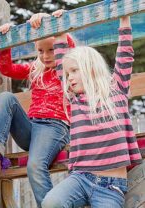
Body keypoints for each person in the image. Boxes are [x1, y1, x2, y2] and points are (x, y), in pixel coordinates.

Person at [0, 11, 75, 207]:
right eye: (41, 51)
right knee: (6, 97)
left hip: (55, 129)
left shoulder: (66, 68)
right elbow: (7, 69)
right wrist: (8, 40)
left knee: (35, 166)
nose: (46, 56)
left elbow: (68, 46)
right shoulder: (35, 70)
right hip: (31, 130)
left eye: (51, 50)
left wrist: (53, 21)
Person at [41, 14, 142, 208]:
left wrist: (124, 17)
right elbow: (61, 63)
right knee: (50, 203)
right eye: (68, 73)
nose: (69, 77)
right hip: (80, 179)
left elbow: (125, 55)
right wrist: (60, 33)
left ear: (90, 68)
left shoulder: (116, 91)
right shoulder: (74, 99)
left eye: (75, 71)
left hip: (111, 186)